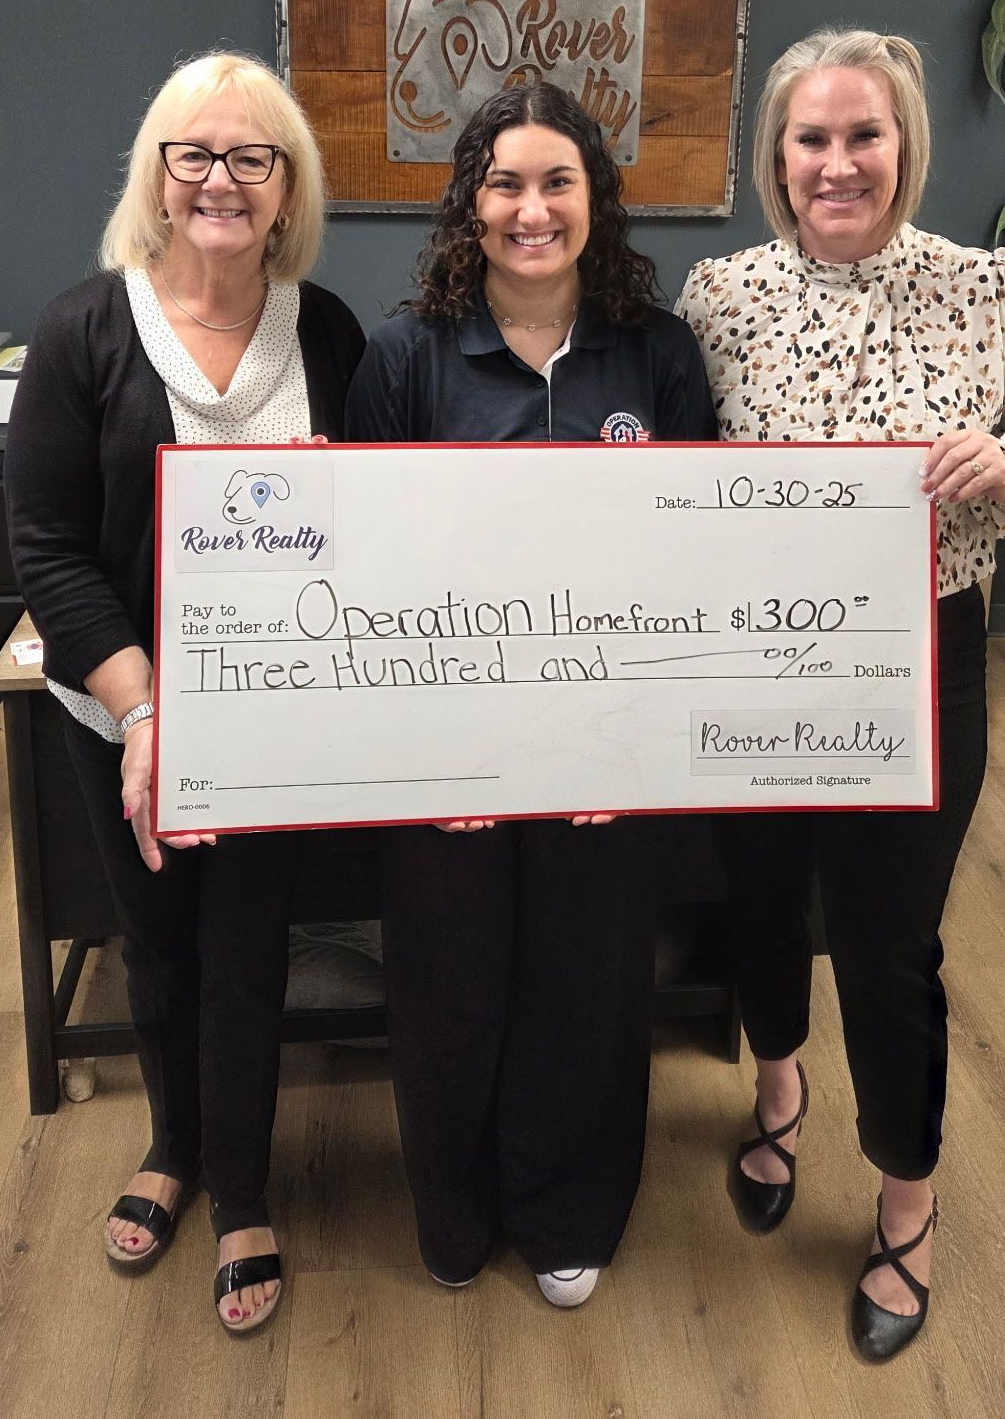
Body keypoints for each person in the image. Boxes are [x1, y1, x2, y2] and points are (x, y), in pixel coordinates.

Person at [675, 28, 1005, 1362]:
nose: (839, 162)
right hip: (749, 664)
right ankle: (777, 1087)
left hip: (916, 664)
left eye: (866, 136)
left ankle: (907, 1207)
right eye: (812, 139)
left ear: (906, 147)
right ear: (778, 158)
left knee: (888, 940)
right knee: (755, 901)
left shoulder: (987, 289)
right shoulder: (718, 296)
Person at [4, 51, 364, 1336]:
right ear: (158, 176)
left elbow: (372, 518)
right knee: (155, 942)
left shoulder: (324, 330)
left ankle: (246, 1189)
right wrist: (145, 706)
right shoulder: (82, 329)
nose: (221, 178)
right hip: (126, 713)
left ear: (285, 188)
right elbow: (46, 547)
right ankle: (172, 1145)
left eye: (251, 158)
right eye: (195, 154)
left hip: (272, 724)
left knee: (248, 948)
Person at [345, 80, 718, 1308]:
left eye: (558, 180)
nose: (532, 206)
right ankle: (453, 1206)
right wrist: (431, 759)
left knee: (590, 980)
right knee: (448, 982)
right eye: (506, 181)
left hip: (606, 753)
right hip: (445, 755)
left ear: (595, 202)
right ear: (470, 203)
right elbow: (367, 579)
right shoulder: (401, 356)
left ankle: (567, 1207)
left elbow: (700, 562)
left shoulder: (657, 353)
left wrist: (634, 750)